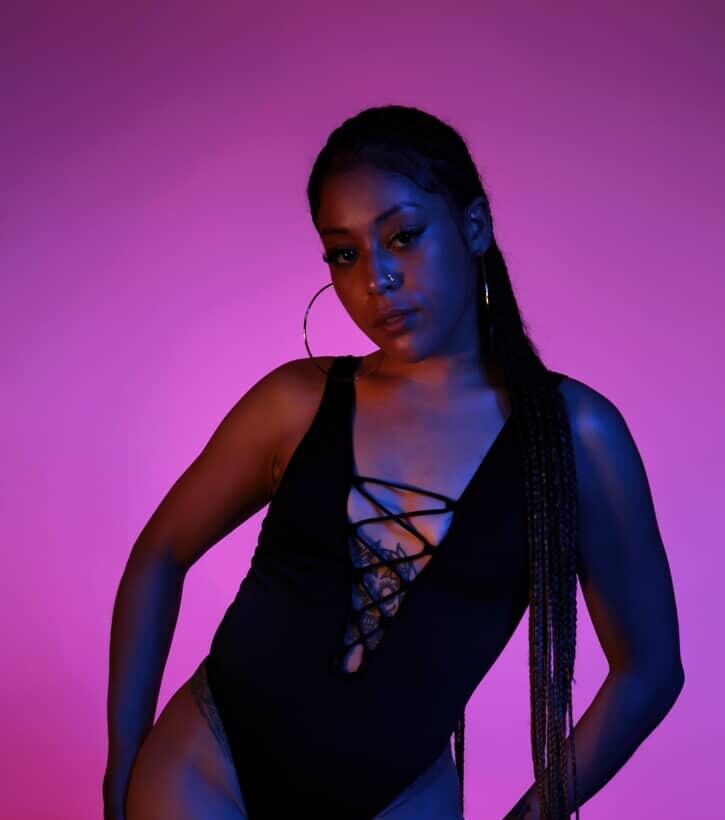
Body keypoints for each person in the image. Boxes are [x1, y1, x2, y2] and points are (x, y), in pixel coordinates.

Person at [104, 104, 685, 820]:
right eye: (344, 253)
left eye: (403, 237)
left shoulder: (576, 437)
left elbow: (649, 671)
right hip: (209, 768)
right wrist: (123, 758)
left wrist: (532, 815)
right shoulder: (297, 401)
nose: (376, 278)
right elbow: (160, 551)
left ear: (475, 226)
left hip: (400, 799)